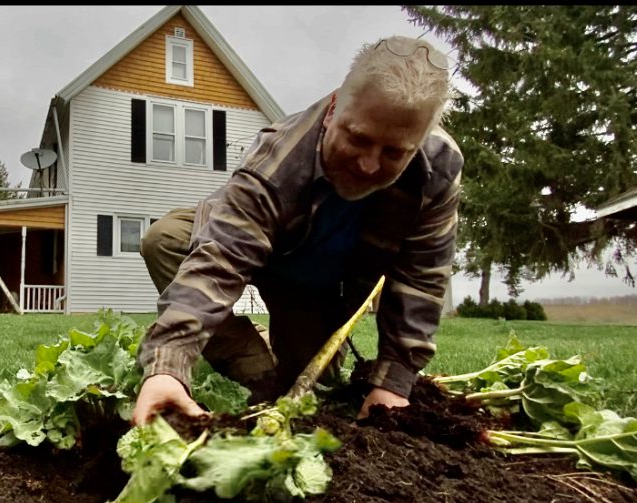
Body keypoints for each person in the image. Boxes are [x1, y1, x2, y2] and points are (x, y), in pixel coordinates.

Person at [131, 35, 463, 426]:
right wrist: (167, 366)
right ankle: (253, 361)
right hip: (252, 244)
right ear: (333, 109)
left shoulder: (436, 169)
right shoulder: (277, 161)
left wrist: (394, 382)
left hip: (314, 288)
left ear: (419, 142)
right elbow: (218, 260)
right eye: (358, 138)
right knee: (166, 239)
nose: (370, 166)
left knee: (310, 389)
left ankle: (282, 358)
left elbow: (421, 278)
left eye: (394, 153)